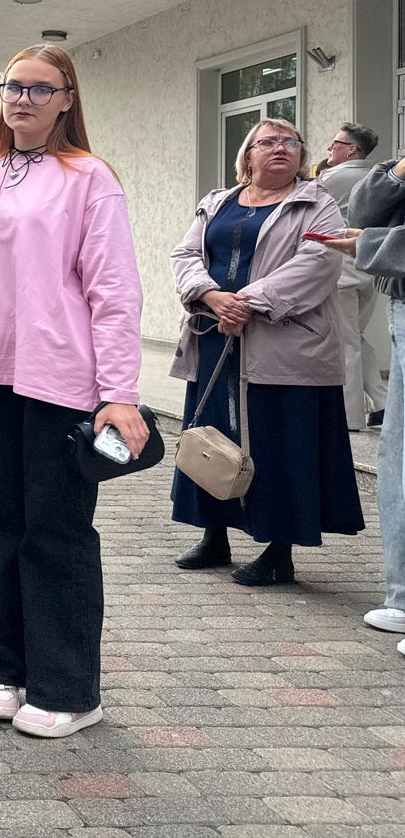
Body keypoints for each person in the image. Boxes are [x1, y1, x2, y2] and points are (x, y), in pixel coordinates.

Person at [0, 43, 145, 740]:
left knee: (56, 529)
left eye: (40, 89)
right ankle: (1, 666)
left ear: (67, 100)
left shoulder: (90, 178)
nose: (23, 99)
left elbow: (114, 290)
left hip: (60, 375)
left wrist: (120, 392)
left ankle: (69, 689)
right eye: (14, 86)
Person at [169, 117, 362, 588]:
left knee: (279, 443)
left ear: (301, 155)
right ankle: (214, 535)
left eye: (290, 143)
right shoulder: (217, 202)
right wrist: (211, 296)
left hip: (285, 342)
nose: (280, 148)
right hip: (215, 337)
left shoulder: (317, 203)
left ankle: (279, 552)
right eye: (268, 142)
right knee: (212, 435)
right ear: (248, 155)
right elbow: (185, 255)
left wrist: (247, 303)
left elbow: (318, 262)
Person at [318, 153, 405, 652]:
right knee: (396, 457)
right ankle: (402, 595)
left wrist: (370, 245)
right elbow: (365, 210)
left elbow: (364, 229)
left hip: (383, 285)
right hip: (398, 300)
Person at [317, 123, 386, 429]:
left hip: (340, 271)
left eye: (335, 143)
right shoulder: (378, 176)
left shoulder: (330, 178)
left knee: (344, 343)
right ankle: (382, 403)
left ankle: (349, 417)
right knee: (354, 337)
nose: (329, 148)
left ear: (350, 150)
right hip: (370, 269)